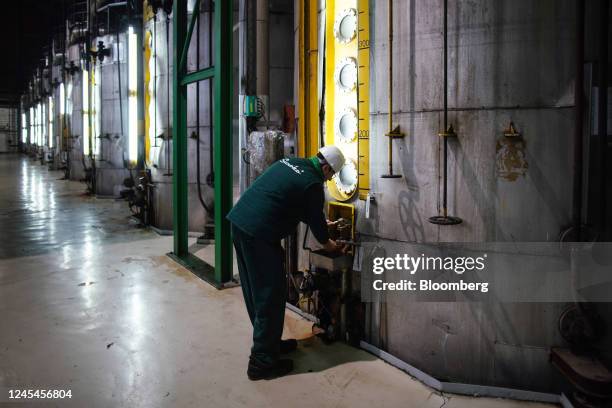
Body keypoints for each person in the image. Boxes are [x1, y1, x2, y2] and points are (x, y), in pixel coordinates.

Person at [227, 145, 346, 380]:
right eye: (331, 175)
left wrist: (321, 222)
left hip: (241, 223)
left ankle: (269, 346)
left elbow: (289, 199)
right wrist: (332, 245)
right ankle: (262, 364)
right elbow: (322, 239)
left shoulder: (292, 163)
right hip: (258, 235)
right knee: (270, 296)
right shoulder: (313, 183)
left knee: (256, 292)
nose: (329, 179)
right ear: (325, 167)